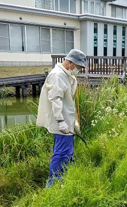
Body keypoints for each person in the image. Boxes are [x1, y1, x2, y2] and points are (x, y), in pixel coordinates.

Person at [36, 49, 86, 187]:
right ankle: (53, 184)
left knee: (67, 151)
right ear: (70, 62)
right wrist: (60, 121)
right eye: (78, 67)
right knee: (61, 153)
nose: (79, 70)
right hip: (61, 122)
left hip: (67, 121)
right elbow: (55, 99)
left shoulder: (66, 75)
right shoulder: (57, 75)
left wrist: (73, 121)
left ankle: (64, 178)